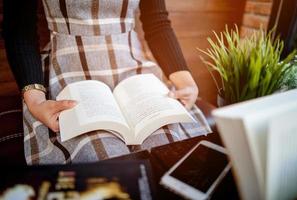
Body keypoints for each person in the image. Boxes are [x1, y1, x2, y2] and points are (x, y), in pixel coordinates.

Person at [3, 0, 211, 164]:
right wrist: (35, 99)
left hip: (134, 70)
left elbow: (157, 21)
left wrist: (186, 81)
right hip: (68, 71)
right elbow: (19, 28)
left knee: (169, 150)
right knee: (101, 157)